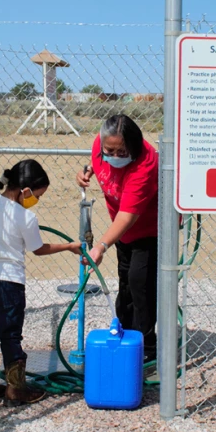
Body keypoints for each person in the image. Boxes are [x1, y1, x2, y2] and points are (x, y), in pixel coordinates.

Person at [0, 159, 81, 406]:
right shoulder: (26, 216)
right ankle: (16, 390)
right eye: (37, 195)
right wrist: (69, 246)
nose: (37, 200)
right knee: (10, 334)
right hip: (10, 282)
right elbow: (38, 248)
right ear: (25, 191)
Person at [77, 114, 160, 361]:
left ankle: (147, 349)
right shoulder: (101, 145)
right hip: (121, 230)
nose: (113, 155)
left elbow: (128, 216)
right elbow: (97, 161)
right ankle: (125, 334)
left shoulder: (145, 164)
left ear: (133, 146)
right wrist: (87, 171)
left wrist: (101, 246)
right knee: (125, 280)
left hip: (148, 228)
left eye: (121, 151)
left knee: (139, 283)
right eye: (109, 150)